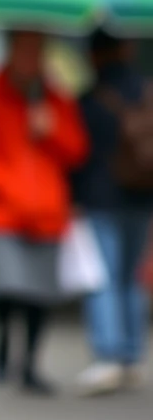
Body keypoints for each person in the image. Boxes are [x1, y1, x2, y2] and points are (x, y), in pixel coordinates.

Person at [0, 29, 89, 394]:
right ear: (11, 52)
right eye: (25, 51)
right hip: (4, 210)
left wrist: (51, 131)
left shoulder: (56, 101)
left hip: (47, 212)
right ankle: (1, 347)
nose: (32, 59)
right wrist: (6, 184)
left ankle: (29, 364)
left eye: (38, 52)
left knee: (40, 292)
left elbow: (77, 151)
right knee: (9, 285)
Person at [72, 28, 153, 394]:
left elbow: (77, 152)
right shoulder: (145, 90)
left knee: (103, 277)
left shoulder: (89, 98)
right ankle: (132, 355)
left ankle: (109, 355)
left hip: (101, 196)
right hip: (142, 194)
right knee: (130, 276)